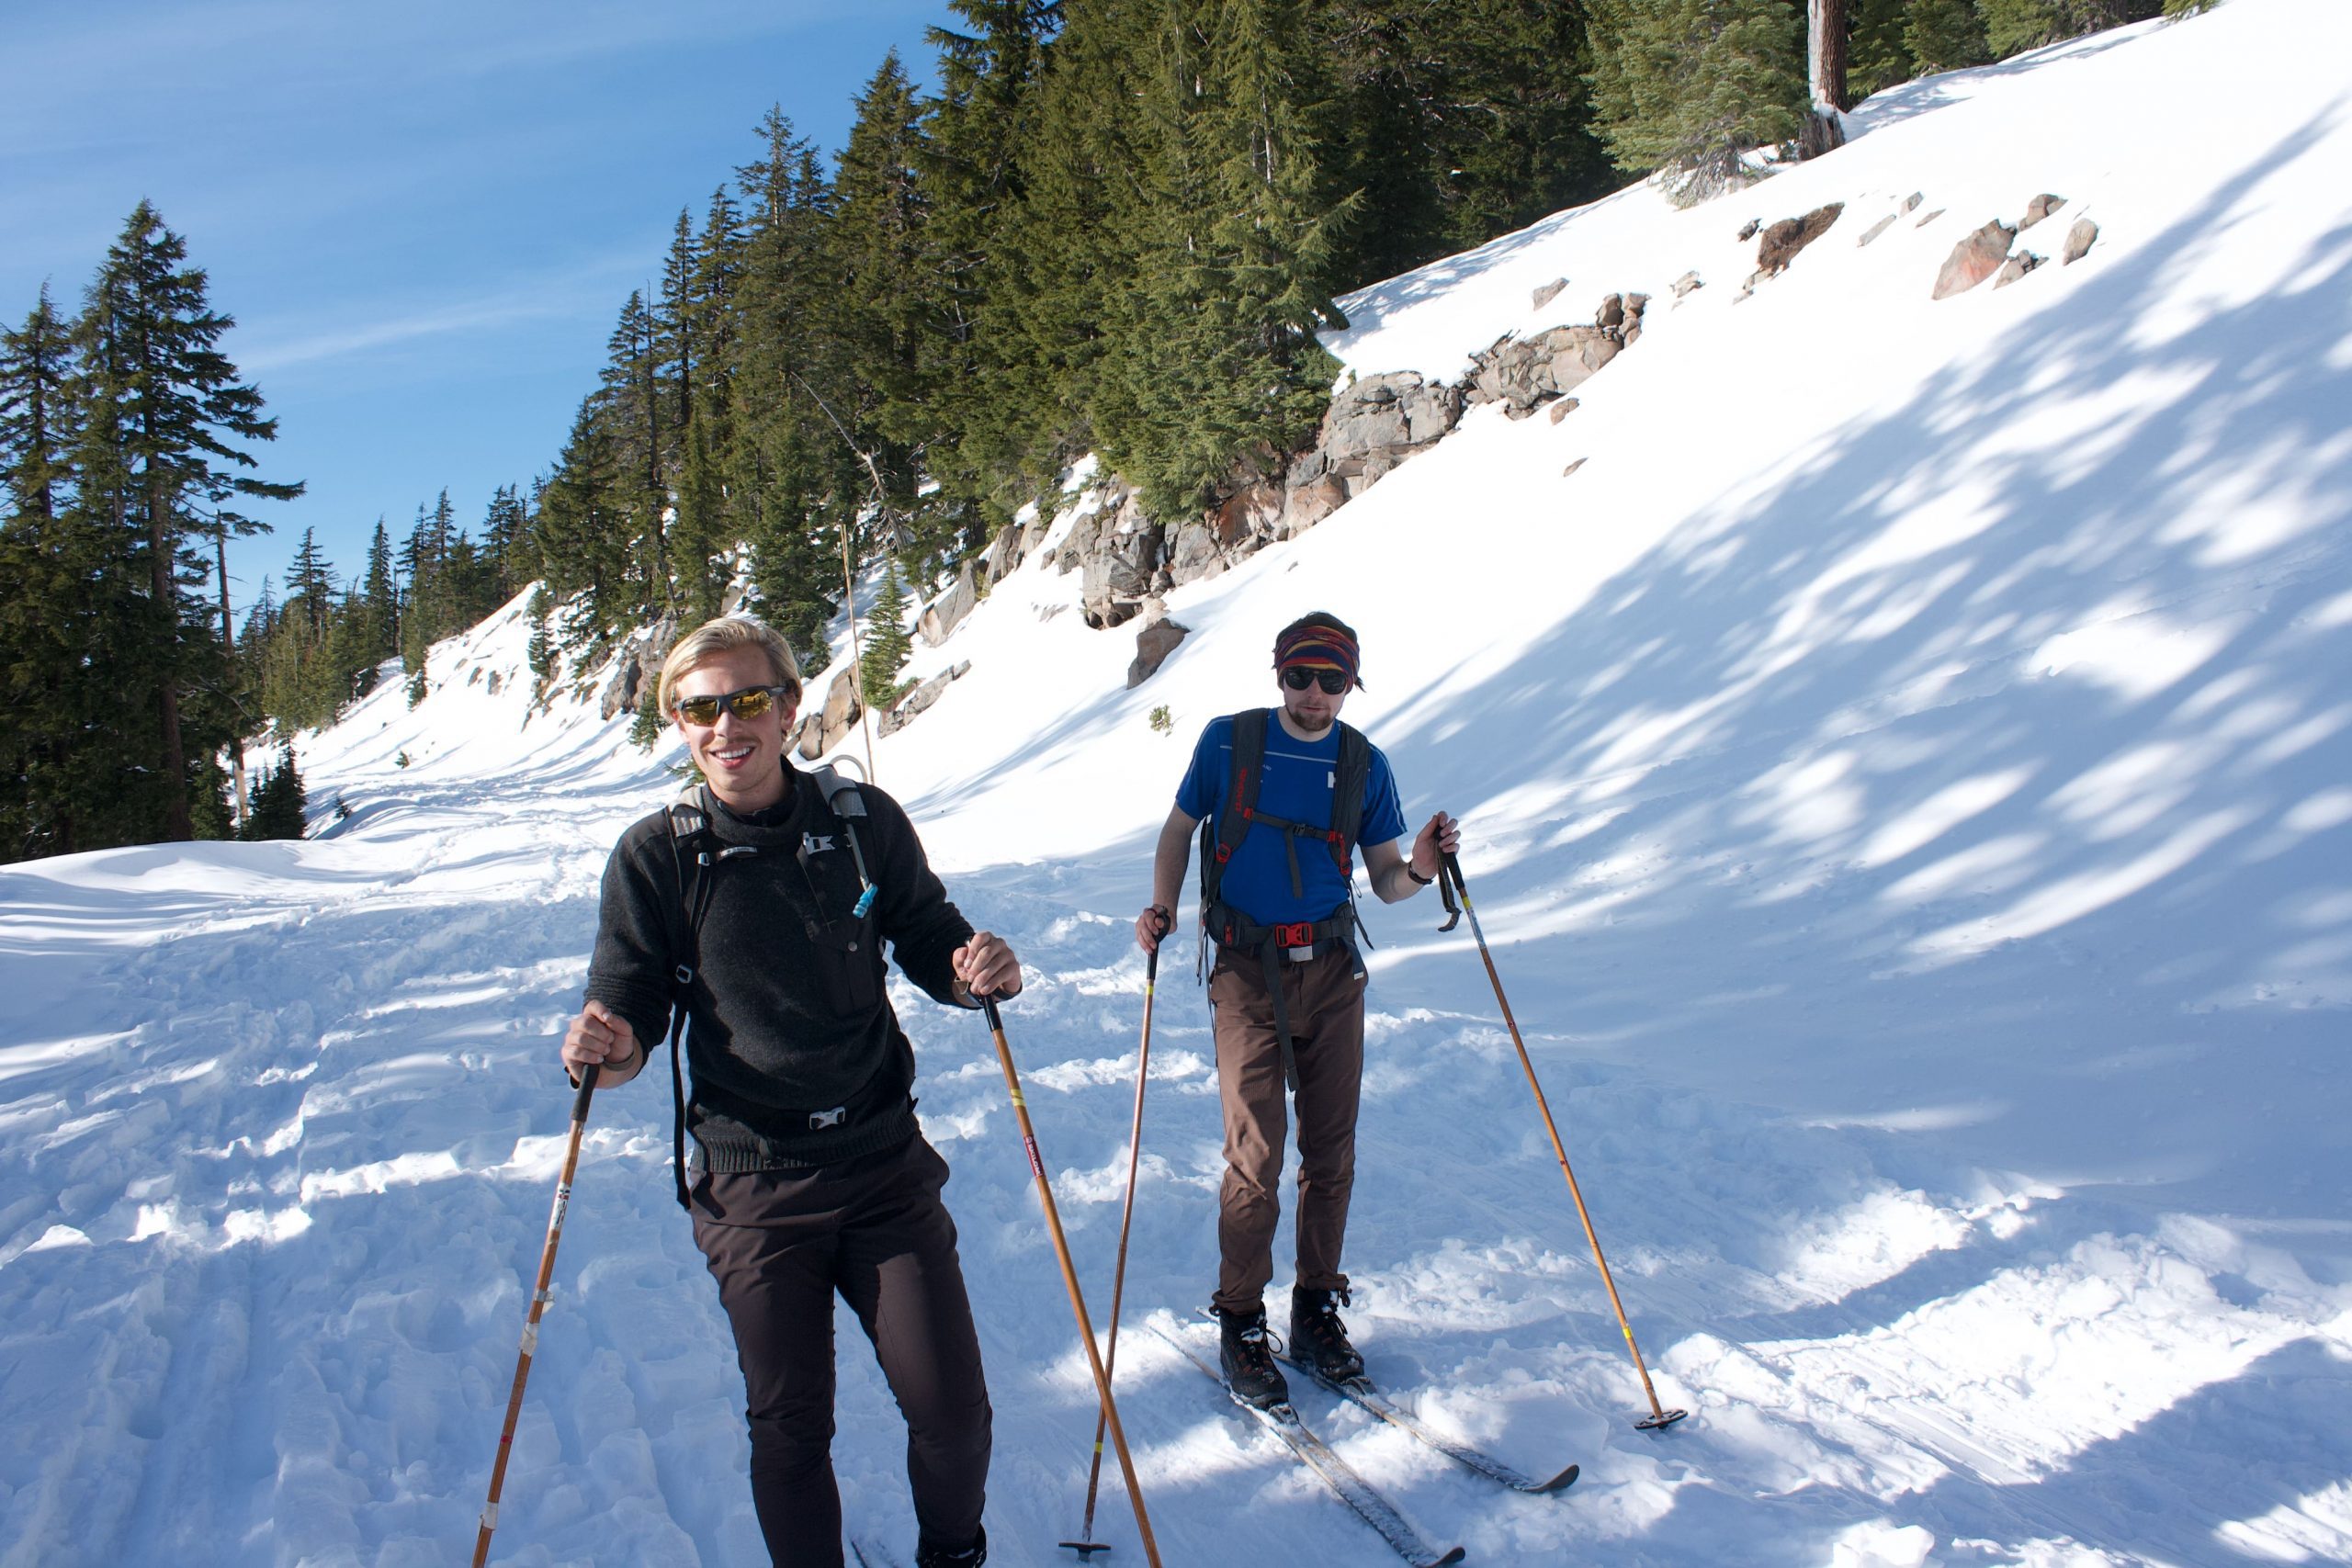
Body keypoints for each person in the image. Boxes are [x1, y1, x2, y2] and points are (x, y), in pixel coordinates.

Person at [561, 615, 1012, 1568]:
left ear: (791, 706)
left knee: (954, 1415)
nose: (728, 725)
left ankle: (953, 1557)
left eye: (749, 700)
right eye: (700, 707)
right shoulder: (659, 856)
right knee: (791, 1428)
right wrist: (609, 1047)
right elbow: (632, 1007)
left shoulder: (860, 824)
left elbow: (929, 934)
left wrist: (972, 969)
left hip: (883, 1165)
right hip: (754, 1186)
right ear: (678, 724)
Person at [1135, 611, 1458, 1407]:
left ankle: (1315, 1307)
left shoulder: (1362, 764)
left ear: (1351, 684)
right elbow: (1178, 832)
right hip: (1245, 971)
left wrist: (1418, 868)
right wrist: (1161, 907)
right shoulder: (1227, 743)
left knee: (1332, 1152)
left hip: (1333, 970)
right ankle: (1241, 1319)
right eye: (1299, 677)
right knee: (1256, 1158)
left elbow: (1383, 878)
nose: (1314, 695)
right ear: (1278, 673)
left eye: (1332, 681)